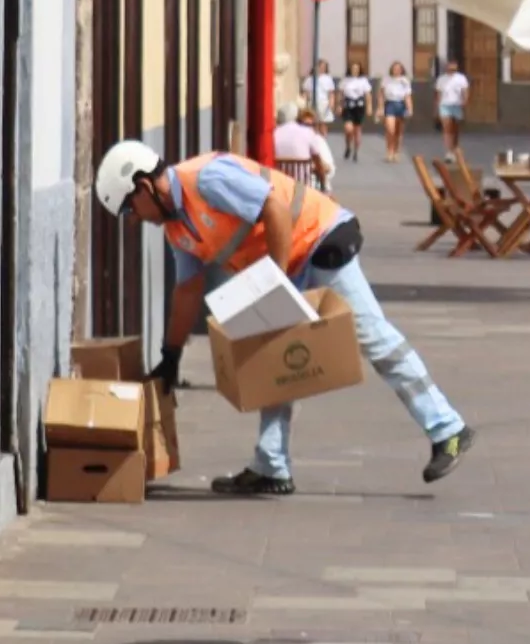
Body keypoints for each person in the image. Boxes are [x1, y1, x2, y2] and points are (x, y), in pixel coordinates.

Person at [94, 140, 478, 495]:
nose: (134, 219)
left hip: (321, 238)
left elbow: (273, 206)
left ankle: (448, 429)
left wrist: (274, 282)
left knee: (374, 338)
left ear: (144, 186)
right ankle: (271, 466)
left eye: (130, 209)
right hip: (288, 263)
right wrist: (171, 355)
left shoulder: (207, 179)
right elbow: (187, 290)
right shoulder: (177, 230)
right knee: (272, 357)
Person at [273, 106, 335, 191]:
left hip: (279, 186)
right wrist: (323, 183)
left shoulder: (274, 133)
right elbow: (320, 165)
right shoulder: (309, 135)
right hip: (303, 188)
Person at [337, 61, 372, 162]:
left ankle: (356, 151)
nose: (355, 70)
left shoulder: (363, 80)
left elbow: (368, 95)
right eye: (353, 68)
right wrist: (339, 106)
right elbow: (340, 94)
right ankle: (348, 146)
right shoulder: (345, 80)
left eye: (357, 69)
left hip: (359, 106)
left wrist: (369, 107)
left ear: (359, 70)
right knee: (348, 129)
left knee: (357, 130)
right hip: (348, 105)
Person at [434, 64, 470, 161]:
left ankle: (455, 147)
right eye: (450, 68)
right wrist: (437, 108)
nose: (451, 70)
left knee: (455, 129)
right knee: (447, 128)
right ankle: (449, 152)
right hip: (444, 105)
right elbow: (438, 94)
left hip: (457, 105)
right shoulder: (441, 79)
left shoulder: (461, 78)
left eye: (453, 69)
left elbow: (465, 91)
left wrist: (465, 101)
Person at [380, 61, 413, 163]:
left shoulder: (405, 81)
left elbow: (407, 96)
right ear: (392, 69)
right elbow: (381, 95)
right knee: (390, 130)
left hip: (400, 104)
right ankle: (389, 151)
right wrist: (380, 108)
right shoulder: (386, 80)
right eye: (395, 68)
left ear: (402, 70)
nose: (397, 70)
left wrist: (410, 108)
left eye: (399, 68)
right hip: (390, 104)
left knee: (398, 131)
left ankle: (396, 151)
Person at [303, 60, 337, 136]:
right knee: (313, 123)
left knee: (323, 123)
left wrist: (331, 104)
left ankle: (323, 138)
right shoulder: (309, 79)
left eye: (323, 67)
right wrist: (304, 103)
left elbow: (331, 93)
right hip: (312, 103)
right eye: (320, 67)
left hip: (324, 103)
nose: (321, 68)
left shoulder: (328, 79)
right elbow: (306, 93)